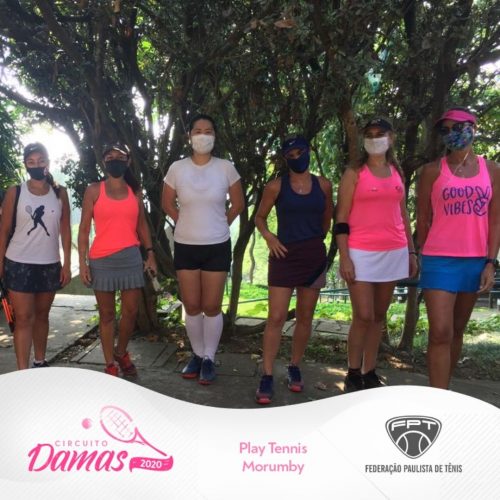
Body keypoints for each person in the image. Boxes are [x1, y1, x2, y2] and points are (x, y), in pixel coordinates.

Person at [417, 107, 499, 389]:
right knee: (440, 332)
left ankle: (446, 391)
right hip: (439, 259)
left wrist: (490, 262)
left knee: (456, 331)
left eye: (458, 127)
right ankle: (437, 397)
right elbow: (423, 218)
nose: (452, 133)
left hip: (475, 260)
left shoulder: (492, 170)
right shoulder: (431, 171)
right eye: (446, 129)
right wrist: (423, 254)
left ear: (473, 129)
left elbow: (495, 220)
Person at [335, 118, 418, 392]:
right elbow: (341, 217)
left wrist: (411, 251)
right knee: (363, 315)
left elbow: (402, 214)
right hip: (360, 252)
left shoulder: (396, 172)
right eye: (369, 135)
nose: (374, 138)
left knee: (379, 316)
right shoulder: (354, 173)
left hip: (394, 251)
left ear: (391, 138)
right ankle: (352, 371)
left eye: (379, 133)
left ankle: (369, 370)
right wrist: (344, 256)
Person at [162, 114, 244, 385]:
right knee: (192, 305)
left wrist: (221, 223)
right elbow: (167, 203)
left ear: (215, 136)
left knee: (211, 306)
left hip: (217, 245)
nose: (203, 135)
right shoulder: (177, 168)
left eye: (208, 131)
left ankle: (209, 357)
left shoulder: (226, 167)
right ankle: (197, 355)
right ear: (189, 136)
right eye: (197, 130)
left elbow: (238, 204)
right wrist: (183, 221)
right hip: (186, 245)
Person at [254, 135, 333, 404]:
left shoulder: (324, 184)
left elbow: (327, 218)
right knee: (276, 317)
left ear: (309, 150)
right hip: (283, 256)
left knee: (305, 317)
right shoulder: (275, 186)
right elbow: (259, 217)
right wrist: (270, 237)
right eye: (291, 155)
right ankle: (267, 374)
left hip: (312, 257)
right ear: (285, 158)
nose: (297, 158)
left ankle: (294, 366)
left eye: (301, 152)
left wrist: (313, 240)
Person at [78, 142, 157, 377]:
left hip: (130, 258)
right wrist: (82, 263)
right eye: (110, 157)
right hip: (101, 260)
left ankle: (121, 352)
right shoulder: (94, 190)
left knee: (130, 311)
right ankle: (109, 362)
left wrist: (150, 253)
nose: (115, 161)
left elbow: (141, 225)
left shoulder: (135, 191)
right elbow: (84, 229)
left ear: (128, 161)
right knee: (107, 315)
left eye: (120, 157)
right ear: (103, 161)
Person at [0, 142, 71, 369]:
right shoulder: (15, 192)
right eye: (31, 162)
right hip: (18, 263)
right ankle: (23, 372)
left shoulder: (60, 193)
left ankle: (40, 362)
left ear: (47, 163)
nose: (36, 165)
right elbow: (3, 230)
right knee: (23, 318)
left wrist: (67, 264)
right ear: (25, 165)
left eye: (40, 161)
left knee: (42, 316)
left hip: (49, 264)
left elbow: (66, 230)